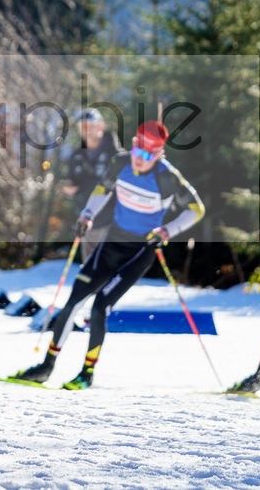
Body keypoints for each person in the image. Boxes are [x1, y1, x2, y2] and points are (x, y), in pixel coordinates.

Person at [13, 120, 205, 390]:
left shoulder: (167, 177)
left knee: (100, 307)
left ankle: (86, 373)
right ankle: (46, 366)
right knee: (72, 303)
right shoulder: (120, 163)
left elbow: (196, 209)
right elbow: (102, 190)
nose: (140, 160)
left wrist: (167, 231)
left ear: (159, 155)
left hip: (139, 253)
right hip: (111, 243)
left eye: (148, 155)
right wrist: (88, 215)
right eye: (138, 151)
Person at [62, 109, 124, 262]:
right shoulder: (77, 155)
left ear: (101, 127)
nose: (86, 130)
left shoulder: (116, 154)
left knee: (108, 268)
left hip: (112, 221)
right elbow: (72, 180)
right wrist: (69, 188)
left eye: (90, 125)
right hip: (86, 221)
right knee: (89, 269)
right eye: (82, 126)